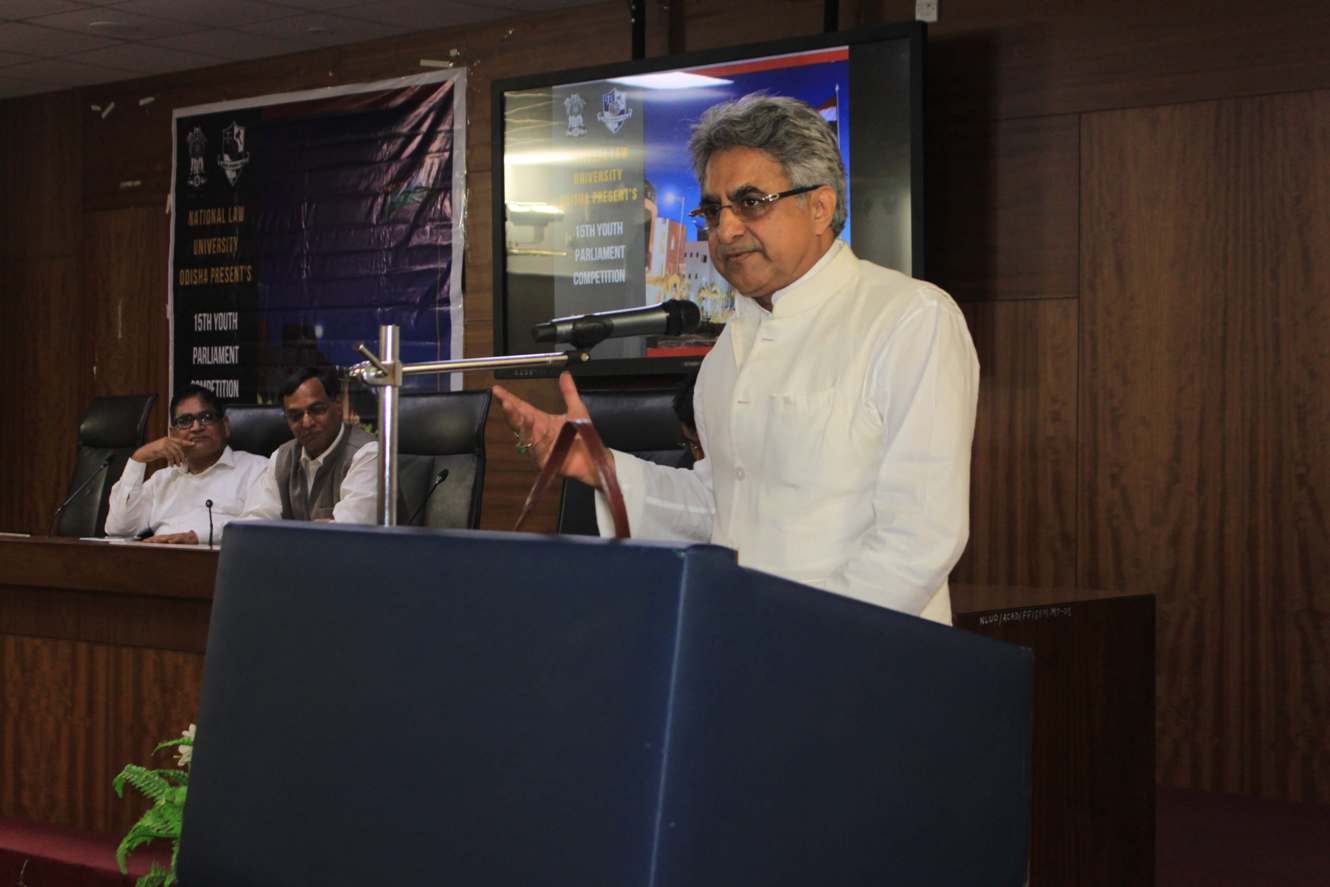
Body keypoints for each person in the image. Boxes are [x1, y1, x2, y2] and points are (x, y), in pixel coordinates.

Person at [494, 94, 979, 624]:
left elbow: (920, 537)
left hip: (859, 654)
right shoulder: (728, 351)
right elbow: (722, 504)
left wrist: (807, 637)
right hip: (744, 643)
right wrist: (601, 467)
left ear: (820, 207)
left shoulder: (909, 317)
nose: (724, 231)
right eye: (712, 210)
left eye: (751, 202)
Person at [104, 384, 270, 544]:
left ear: (225, 426)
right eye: (185, 421)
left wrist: (197, 537)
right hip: (160, 559)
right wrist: (138, 459)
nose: (196, 427)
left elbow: (259, 525)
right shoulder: (162, 479)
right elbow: (119, 529)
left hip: (219, 560)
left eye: (206, 417)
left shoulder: (257, 469)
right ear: (172, 434)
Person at [241, 367, 379, 524]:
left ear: (338, 405)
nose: (306, 423)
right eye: (295, 416)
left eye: (317, 410)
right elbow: (254, 522)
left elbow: (348, 529)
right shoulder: (282, 458)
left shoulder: (367, 453)